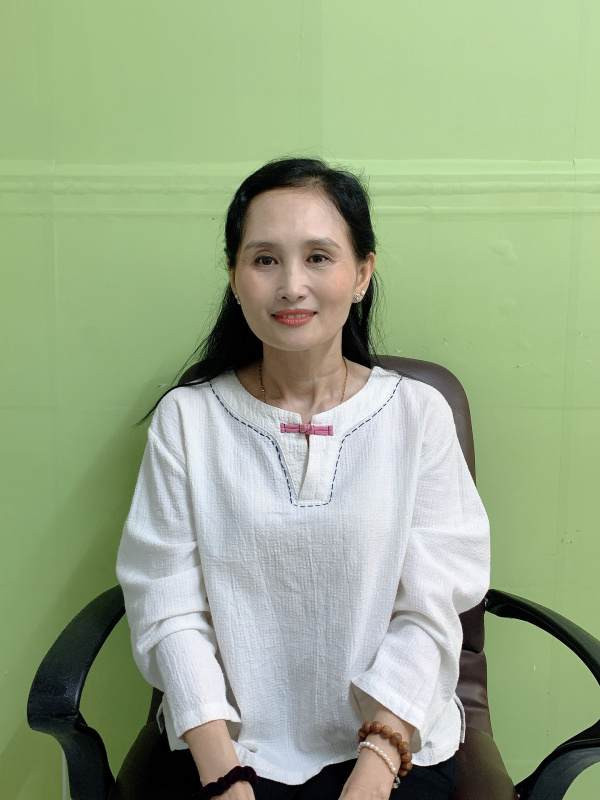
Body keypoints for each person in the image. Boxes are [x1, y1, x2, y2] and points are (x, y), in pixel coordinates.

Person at [115, 156, 490, 800]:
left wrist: (375, 768)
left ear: (362, 273)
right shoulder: (188, 419)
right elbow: (167, 604)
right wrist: (224, 773)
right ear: (234, 277)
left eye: (319, 257)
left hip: (392, 742)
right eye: (265, 259)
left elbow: (430, 608)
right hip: (227, 744)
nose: (291, 285)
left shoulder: (417, 414)